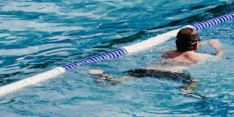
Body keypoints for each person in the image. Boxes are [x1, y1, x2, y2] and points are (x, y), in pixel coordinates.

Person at [89, 26, 223, 91]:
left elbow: (183, 49)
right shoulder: (199, 56)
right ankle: (187, 90)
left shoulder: (167, 52)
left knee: (130, 75)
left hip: (150, 70)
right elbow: (219, 58)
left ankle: (112, 79)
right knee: (192, 82)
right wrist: (217, 48)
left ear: (176, 43)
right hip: (174, 74)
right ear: (196, 45)